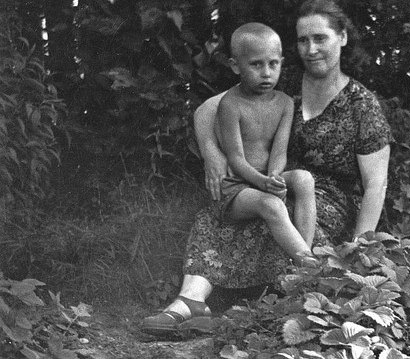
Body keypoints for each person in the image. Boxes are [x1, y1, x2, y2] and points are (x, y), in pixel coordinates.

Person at [141, 0, 393, 336]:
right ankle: (189, 300)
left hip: (323, 201)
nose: (311, 49)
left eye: (321, 38)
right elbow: (206, 111)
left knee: (270, 217)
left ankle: (263, 309)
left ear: (343, 38)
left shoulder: (362, 105)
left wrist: (360, 251)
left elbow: (376, 186)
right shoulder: (277, 76)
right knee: (217, 211)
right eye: (303, 40)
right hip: (266, 179)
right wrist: (213, 155)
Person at [213, 22, 318, 267]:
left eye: (273, 64)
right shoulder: (231, 104)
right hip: (237, 186)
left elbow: (279, 151)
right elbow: (236, 158)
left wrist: (274, 177)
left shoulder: (284, 103)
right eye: (256, 64)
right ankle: (312, 268)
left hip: (266, 176)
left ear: (281, 62)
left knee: (304, 179)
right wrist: (263, 185)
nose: (267, 73)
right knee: (271, 204)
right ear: (235, 66)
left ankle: (303, 255)